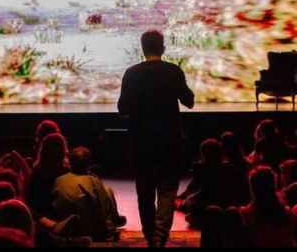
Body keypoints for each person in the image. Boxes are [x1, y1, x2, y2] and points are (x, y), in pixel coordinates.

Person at [118, 30, 194, 248]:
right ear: (163, 48)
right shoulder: (173, 71)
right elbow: (189, 101)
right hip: (169, 142)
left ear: (142, 49)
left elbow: (123, 109)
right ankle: (160, 236)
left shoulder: (131, 74)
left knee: (144, 191)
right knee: (168, 191)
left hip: (140, 143)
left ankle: (151, 236)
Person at [51, 147, 123, 241]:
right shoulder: (93, 181)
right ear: (89, 163)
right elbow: (100, 209)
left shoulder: (59, 180)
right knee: (108, 190)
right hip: (88, 230)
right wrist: (106, 231)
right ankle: (113, 223)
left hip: (64, 228)